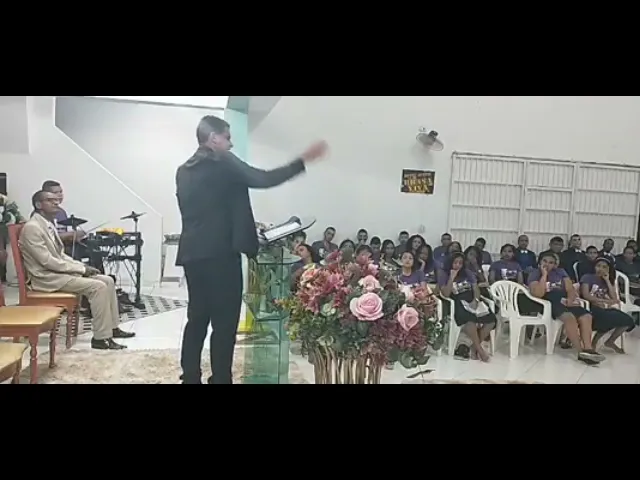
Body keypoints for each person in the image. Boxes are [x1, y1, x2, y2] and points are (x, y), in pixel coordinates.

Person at [176, 114, 328, 384]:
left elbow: (210, 209)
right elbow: (263, 178)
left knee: (196, 319)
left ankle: (190, 377)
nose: (231, 144)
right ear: (213, 139)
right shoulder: (222, 161)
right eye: (227, 138)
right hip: (221, 256)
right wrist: (302, 160)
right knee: (224, 324)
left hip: (193, 255)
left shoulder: (183, 170)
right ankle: (220, 379)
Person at [19, 191, 134, 350]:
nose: (56, 203)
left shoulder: (47, 224)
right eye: (50, 200)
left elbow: (60, 255)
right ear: (38, 205)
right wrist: (81, 269)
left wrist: (80, 267)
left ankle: (112, 328)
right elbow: (47, 261)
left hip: (57, 273)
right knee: (98, 287)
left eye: (56, 200)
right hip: (47, 278)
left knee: (107, 280)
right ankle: (101, 338)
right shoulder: (32, 227)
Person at [528, 252, 604, 365]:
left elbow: (570, 289)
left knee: (586, 316)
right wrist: (544, 275)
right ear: (540, 262)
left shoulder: (561, 272)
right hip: (548, 301)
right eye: (545, 261)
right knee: (569, 318)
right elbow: (538, 293)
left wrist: (570, 299)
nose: (547, 264)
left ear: (555, 265)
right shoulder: (535, 274)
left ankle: (588, 349)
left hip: (564, 299)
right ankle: (580, 351)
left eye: (551, 262)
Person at [438, 252, 496, 362]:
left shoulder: (467, 273)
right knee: (470, 320)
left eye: (460, 263)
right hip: (457, 301)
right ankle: (480, 350)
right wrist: (451, 278)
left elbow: (476, 289)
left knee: (491, 320)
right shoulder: (443, 274)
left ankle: (474, 347)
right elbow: (445, 294)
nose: (458, 265)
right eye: (455, 262)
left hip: (472, 299)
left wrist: (476, 300)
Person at [580, 258, 635, 354]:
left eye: (604, 267)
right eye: (598, 266)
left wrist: (607, 280)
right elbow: (586, 295)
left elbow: (614, 298)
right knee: (608, 318)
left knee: (628, 321)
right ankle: (594, 342)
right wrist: (605, 301)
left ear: (608, 269)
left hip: (604, 307)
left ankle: (610, 341)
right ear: (594, 267)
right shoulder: (587, 277)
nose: (600, 269)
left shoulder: (606, 281)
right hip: (591, 307)